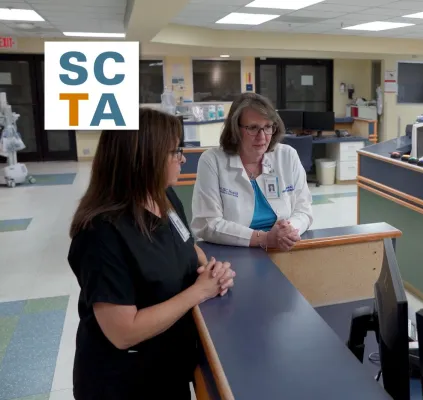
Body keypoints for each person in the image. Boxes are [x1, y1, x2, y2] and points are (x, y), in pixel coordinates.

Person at [68, 108, 236, 399]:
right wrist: (200, 291)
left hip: (168, 364)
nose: (182, 158)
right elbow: (123, 333)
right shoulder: (101, 234)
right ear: (143, 159)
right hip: (125, 381)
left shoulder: (163, 197)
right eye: (175, 151)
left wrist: (211, 269)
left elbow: (185, 244)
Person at [191, 93, 313, 251]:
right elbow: (207, 223)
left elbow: (304, 209)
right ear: (235, 129)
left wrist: (289, 231)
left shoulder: (287, 155)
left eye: (268, 127)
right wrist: (265, 238)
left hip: (282, 247)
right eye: (253, 128)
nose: (262, 137)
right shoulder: (212, 161)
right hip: (232, 250)